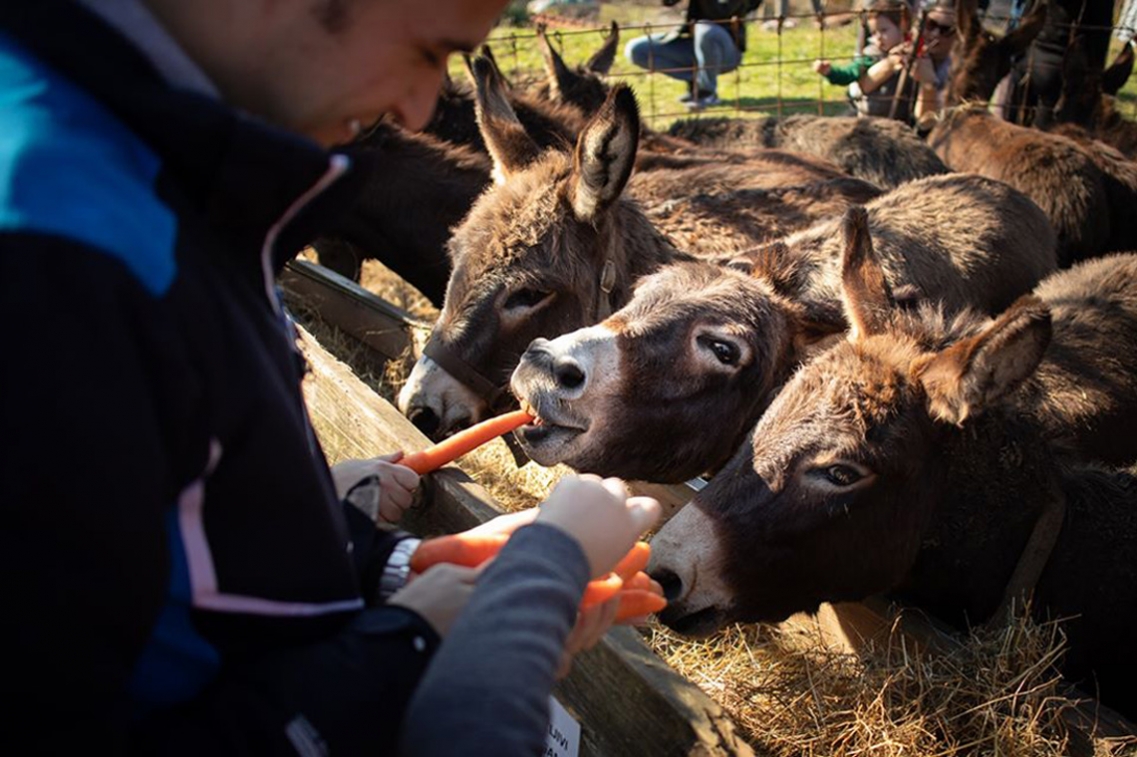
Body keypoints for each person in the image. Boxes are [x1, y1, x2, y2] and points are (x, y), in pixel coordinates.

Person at [0, 1, 661, 755]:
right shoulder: (56, 254)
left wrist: (386, 560)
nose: (415, 109)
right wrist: (417, 636)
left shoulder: (150, 177)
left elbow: (180, 528)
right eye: (425, 50)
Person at [624, 0, 763, 109]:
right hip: (691, 42)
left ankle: (707, 93)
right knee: (637, 50)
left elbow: (721, 12)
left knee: (705, 29)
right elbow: (668, 2)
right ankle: (697, 82)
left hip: (727, 50)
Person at [858, 0, 955, 123]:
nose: (935, 34)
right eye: (931, 25)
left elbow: (925, 121)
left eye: (945, 30)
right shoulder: (885, 45)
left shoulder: (953, 71)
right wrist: (892, 62)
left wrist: (928, 84)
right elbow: (863, 87)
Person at [813, 0, 911, 117]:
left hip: (903, 116)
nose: (878, 38)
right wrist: (831, 72)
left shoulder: (914, 52)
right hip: (870, 117)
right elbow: (851, 73)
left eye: (884, 30)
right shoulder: (872, 55)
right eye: (874, 33)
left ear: (903, 25)